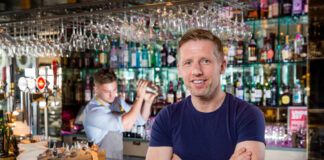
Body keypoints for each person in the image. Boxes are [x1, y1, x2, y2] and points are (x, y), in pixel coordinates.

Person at [146, 29, 265, 160]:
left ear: (222, 66)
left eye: (205, 61)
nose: (196, 71)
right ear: (180, 70)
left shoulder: (247, 114)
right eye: (188, 63)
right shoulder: (166, 118)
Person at [83, 68, 157, 160]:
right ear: (96, 89)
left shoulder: (117, 101)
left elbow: (140, 120)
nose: (112, 95)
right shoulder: (93, 111)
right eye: (107, 92)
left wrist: (148, 101)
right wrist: (139, 97)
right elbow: (126, 124)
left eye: (114, 90)